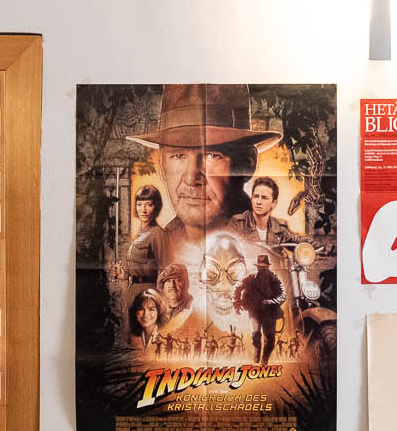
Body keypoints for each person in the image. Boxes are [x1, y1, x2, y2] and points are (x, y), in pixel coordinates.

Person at [125, 85, 278, 262]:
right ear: (162, 167)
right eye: (178, 155)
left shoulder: (270, 247)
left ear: (247, 164)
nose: (191, 178)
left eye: (211, 155)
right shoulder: (158, 244)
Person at [233, 253, 285, 366]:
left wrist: (270, 302)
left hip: (269, 313)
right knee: (255, 333)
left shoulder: (274, 279)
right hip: (254, 311)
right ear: (257, 267)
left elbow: (282, 296)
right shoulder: (250, 278)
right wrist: (236, 303)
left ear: (268, 267)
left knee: (270, 338)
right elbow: (237, 288)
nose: (262, 269)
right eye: (260, 267)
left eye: (264, 267)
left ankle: (265, 359)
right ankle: (257, 349)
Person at [229, 175, 297, 248]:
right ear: (251, 199)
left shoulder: (279, 228)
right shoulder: (238, 224)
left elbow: (297, 240)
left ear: (273, 203)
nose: (258, 202)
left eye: (264, 198)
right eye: (256, 196)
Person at [125, 184, 170, 285]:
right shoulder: (140, 234)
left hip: (149, 290)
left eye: (149, 204)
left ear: (156, 206)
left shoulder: (158, 233)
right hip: (133, 289)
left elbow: (165, 271)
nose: (143, 210)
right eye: (139, 204)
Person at [127, 288, 164, 354]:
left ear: (159, 311)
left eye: (151, 309)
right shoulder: (132, 337)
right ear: (135, 311)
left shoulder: (165, 334)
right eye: (141, 309)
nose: (145, 314)